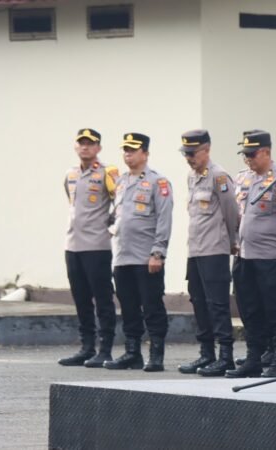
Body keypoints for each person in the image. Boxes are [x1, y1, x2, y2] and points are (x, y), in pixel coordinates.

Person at [226, 131, 276, 379]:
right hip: (244, 255)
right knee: (249, 308)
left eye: (252, 154)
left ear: (266, 152)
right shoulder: (242, 178)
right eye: (245, 155)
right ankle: (254, 356)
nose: (248, 160)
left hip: (270, 256)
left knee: (275, 309)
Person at [106, 133, 172, 371]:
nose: (127, 154)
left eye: (132, 150)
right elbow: (117, 215)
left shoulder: (158, 182)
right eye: (125, 150)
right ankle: (132, 352)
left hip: (146, 257)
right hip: (123, 255)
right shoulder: (121, 181)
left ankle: (156, 355)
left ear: (145, 153)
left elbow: (164, 219)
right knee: (128, 305)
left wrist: (158, 252)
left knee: (152, 305)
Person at [178, 129, 239, 377]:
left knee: (217, 304)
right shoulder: (193, 177)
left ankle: (225, 356)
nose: (189, 158)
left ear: (206, 150)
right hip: (195, 250)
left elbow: (231, 211)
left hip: (214, 249)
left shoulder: (219, 176)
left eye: (192, 153)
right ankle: (206, 354)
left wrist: (232, 241)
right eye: (186, 154)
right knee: (199, 302)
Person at [58, 128, 118, 368]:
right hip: (73, 245)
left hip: (97, 246)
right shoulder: (70, 174)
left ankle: (105, 349)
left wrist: (111, 223)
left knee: (102, 298)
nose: (85, 148)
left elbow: (120, 202)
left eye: (90, 144)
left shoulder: (107, 173)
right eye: (81, 143)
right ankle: (86, 347)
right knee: (81, 298)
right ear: (76, 146)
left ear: (98, 148)